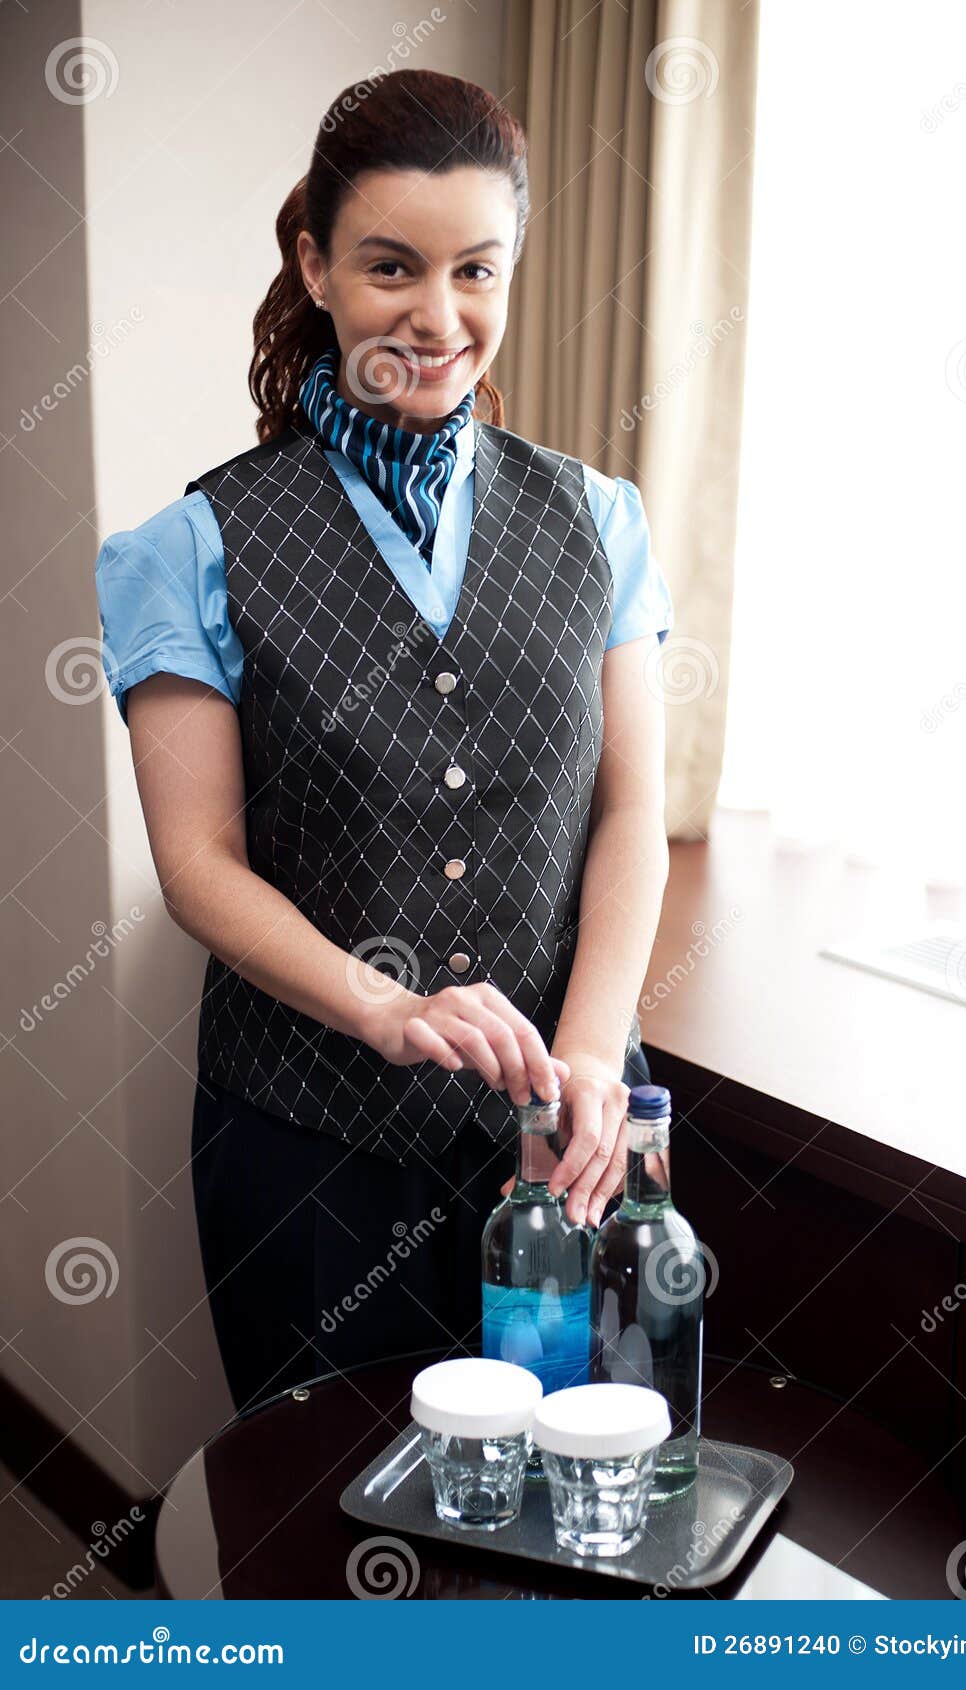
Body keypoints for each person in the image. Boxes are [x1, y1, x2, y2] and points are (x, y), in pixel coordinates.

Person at [94, 68, 673, 1415]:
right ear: (315, 265)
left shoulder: (601, 517)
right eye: (390, 266)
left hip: (566, 1133)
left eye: (477, 269)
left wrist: (586, 1057)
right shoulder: (188, 548)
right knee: (337, 1543)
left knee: (581, 1528)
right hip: (310, 1153)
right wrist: (390, 1009)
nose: (439, 314)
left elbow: (631, 810)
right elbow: (200, 862)